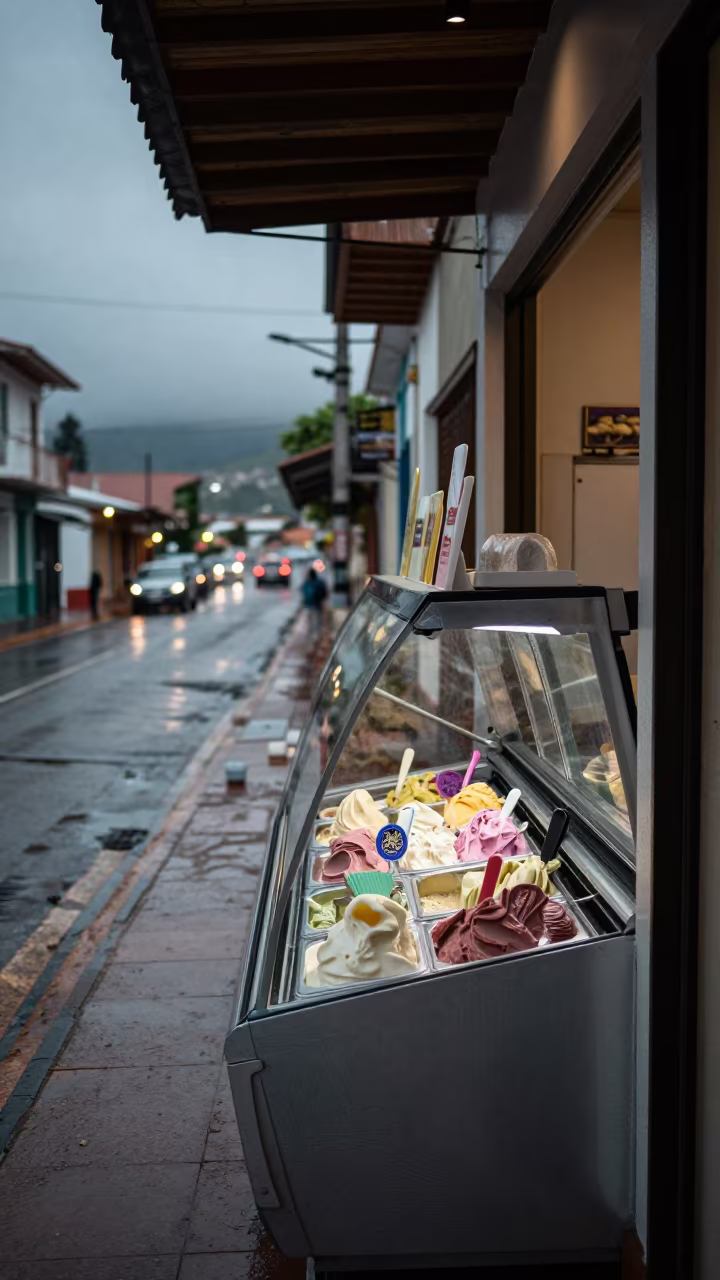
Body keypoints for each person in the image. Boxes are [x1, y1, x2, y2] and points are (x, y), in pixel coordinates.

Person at [301, 566, 327, 639]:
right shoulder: (320, 582)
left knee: (311, 621)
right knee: (318, 621)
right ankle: (318, 635)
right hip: (317, 605)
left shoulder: (307, 583)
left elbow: (303, 591)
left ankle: (312, 635)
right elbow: (324, 593)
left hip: (309, 605)